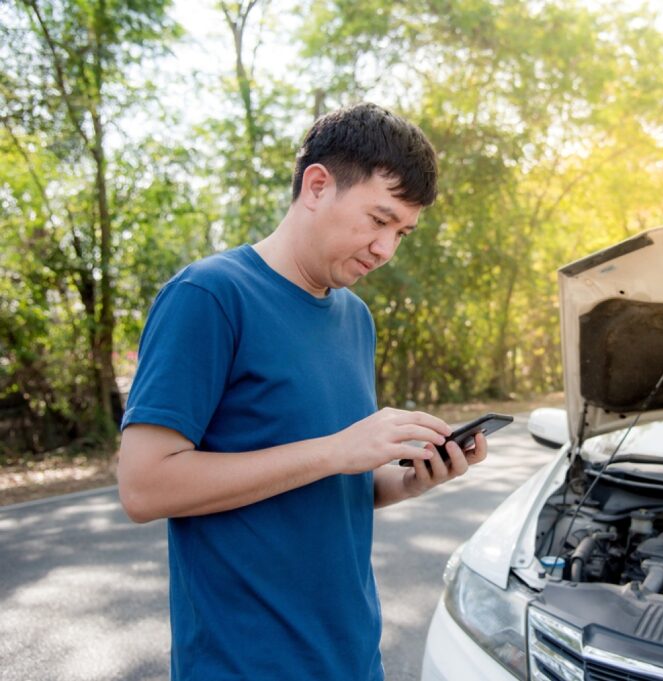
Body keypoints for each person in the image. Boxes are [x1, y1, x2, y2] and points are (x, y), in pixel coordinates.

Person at [116, 102, 486, 680]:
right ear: (317, 186)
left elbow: (328, 485)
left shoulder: (356, 319)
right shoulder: (209, 296)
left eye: (402, 233)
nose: (386, 249)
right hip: (245, 666)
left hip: (352, 658)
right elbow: (143, 487)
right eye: (379, 219)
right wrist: (337, 450)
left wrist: (409, 480)